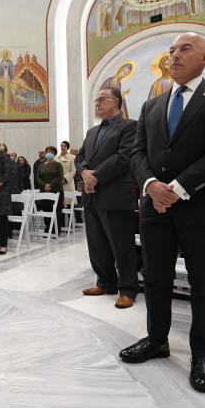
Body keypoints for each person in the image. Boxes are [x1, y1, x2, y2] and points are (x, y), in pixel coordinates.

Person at [121, 32, 205, 394]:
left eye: (184, 49)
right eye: (171, 50)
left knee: (204, 282)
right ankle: (157, 339)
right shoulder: (151, 105)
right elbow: (137, 152)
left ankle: (202, 354)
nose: (174, 55)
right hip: (155, 207)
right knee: (156, 277)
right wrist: (150, 187)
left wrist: (176, 188)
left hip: (203, 207)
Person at [75, 88, 139, 308]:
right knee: (97, 243)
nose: (97, 103)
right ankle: (105, 282)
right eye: (96, 100)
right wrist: (84, 172)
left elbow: (124, 157)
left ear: (116, 102)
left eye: (102, 100)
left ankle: (128, 289)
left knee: (121, 244)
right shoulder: (92, 132)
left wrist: (96, 177)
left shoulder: (130, 126)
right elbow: (81, 156)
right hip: (92, 196)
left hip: (115, 194)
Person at [35, 145, 65, 235]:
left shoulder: (58, 165)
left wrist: (50, 185)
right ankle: (48, 229)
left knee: (56, 211)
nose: (50, 154)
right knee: (46, 210)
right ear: (45, 153)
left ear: (55, 154)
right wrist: (44, 185)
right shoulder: (40, 166)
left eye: (52, 152)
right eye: (48, 152)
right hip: (44, 191)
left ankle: (56, 230)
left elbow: (60, 177)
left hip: (56, 190)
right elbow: (37, 177)